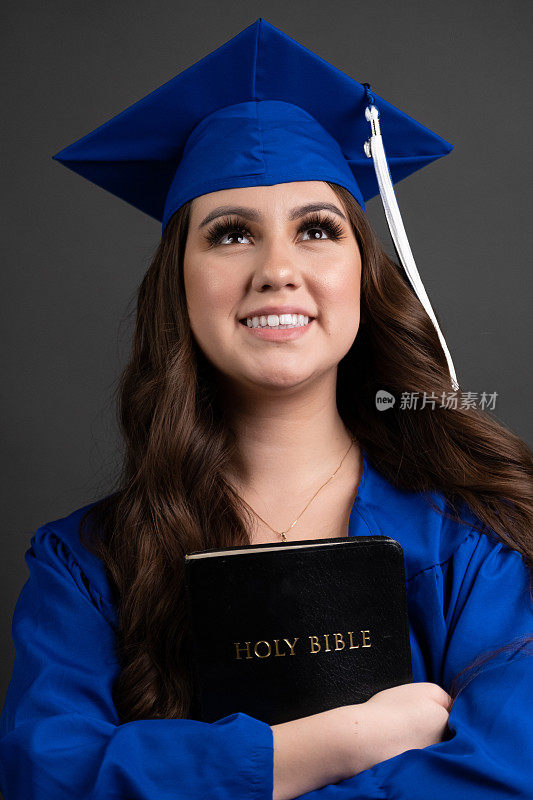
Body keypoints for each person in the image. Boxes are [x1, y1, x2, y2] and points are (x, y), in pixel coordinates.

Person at [1, 17, 532, 800]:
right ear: (179, 284)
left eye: (316, 230)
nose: (277, 269)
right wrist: (331, 745)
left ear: (362, 274)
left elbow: (508, 774)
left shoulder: (480, 540)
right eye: (230, 235)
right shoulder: (87, 567)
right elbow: (46, 777)